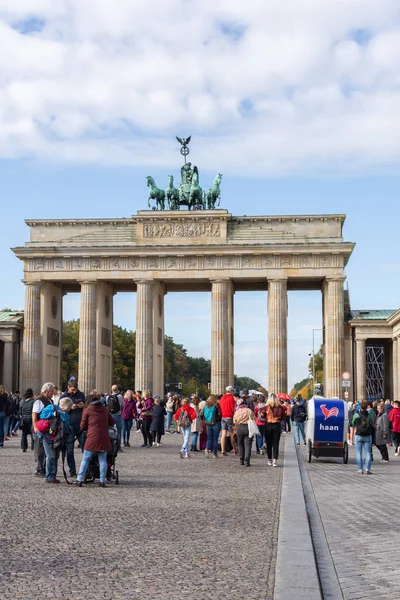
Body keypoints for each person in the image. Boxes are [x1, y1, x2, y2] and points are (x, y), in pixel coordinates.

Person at [76, 393, 115, 487]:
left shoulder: (87, 410)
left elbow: (82, 426)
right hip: (104, 437)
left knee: (86, 458)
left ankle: (79, 479)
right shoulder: (105, 410)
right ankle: (102, 481)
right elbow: (112, 422)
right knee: (103, 460)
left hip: (92, 437)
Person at [60, 380, 86, 477]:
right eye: (72, 390)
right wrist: (71, 408)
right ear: (68, 387)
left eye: (75, 390)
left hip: (80, 425)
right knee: (70, 450)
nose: (74, 392)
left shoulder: (81, 395)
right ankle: (72, 470)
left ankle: (86, 469)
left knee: (85, 448)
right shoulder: (63, 396)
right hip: (68, 425)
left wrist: (83, 406)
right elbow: (61, 410)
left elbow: (87, 407)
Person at [32, 382, 56, 476]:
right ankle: (39, 468)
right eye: (51, 392)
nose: (53, 394)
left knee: (46, 449)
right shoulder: (39, 400)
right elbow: (34, 414)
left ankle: (45, 467)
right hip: (40, 427)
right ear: (46, 392)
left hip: (47, 428)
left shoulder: (49, 400)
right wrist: (35, 427)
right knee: (40, 448)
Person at [352, 400, 375, 474]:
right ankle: (367, 469)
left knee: (358, 453)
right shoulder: (370, 415)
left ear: (360, 406)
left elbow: (352, 423)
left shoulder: (356, 415)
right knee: (368, 453)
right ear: (367, 407)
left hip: (359, 435)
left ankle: (360, 469)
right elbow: (372, 424)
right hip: (367, 435)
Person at [265, 394, 286, 467]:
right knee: (276, 444)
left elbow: (262, 415)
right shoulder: (280, 408)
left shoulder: (266, 407)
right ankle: (274, 461)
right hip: (277, 426)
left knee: (269, 444)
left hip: (268, 425)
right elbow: (283, 417)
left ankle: (269, 459)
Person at [233, 396, 255, 466]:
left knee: (240, 444)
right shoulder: (249, 410)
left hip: (239, 428)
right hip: (248, 427)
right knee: (248, 445)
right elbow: (253, 418)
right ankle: (247, 461)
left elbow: (234, 421)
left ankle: (241, 459)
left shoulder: (237, 411)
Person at [106, 385, 124, 449]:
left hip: (110, 415)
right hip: (118, 415)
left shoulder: (108, 396)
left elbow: (107, 405)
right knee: (119, 430)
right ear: (117, 389)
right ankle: (118, 446)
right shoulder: (120, 396)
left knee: (111, 430)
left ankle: (111, 444)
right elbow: (122, 405)